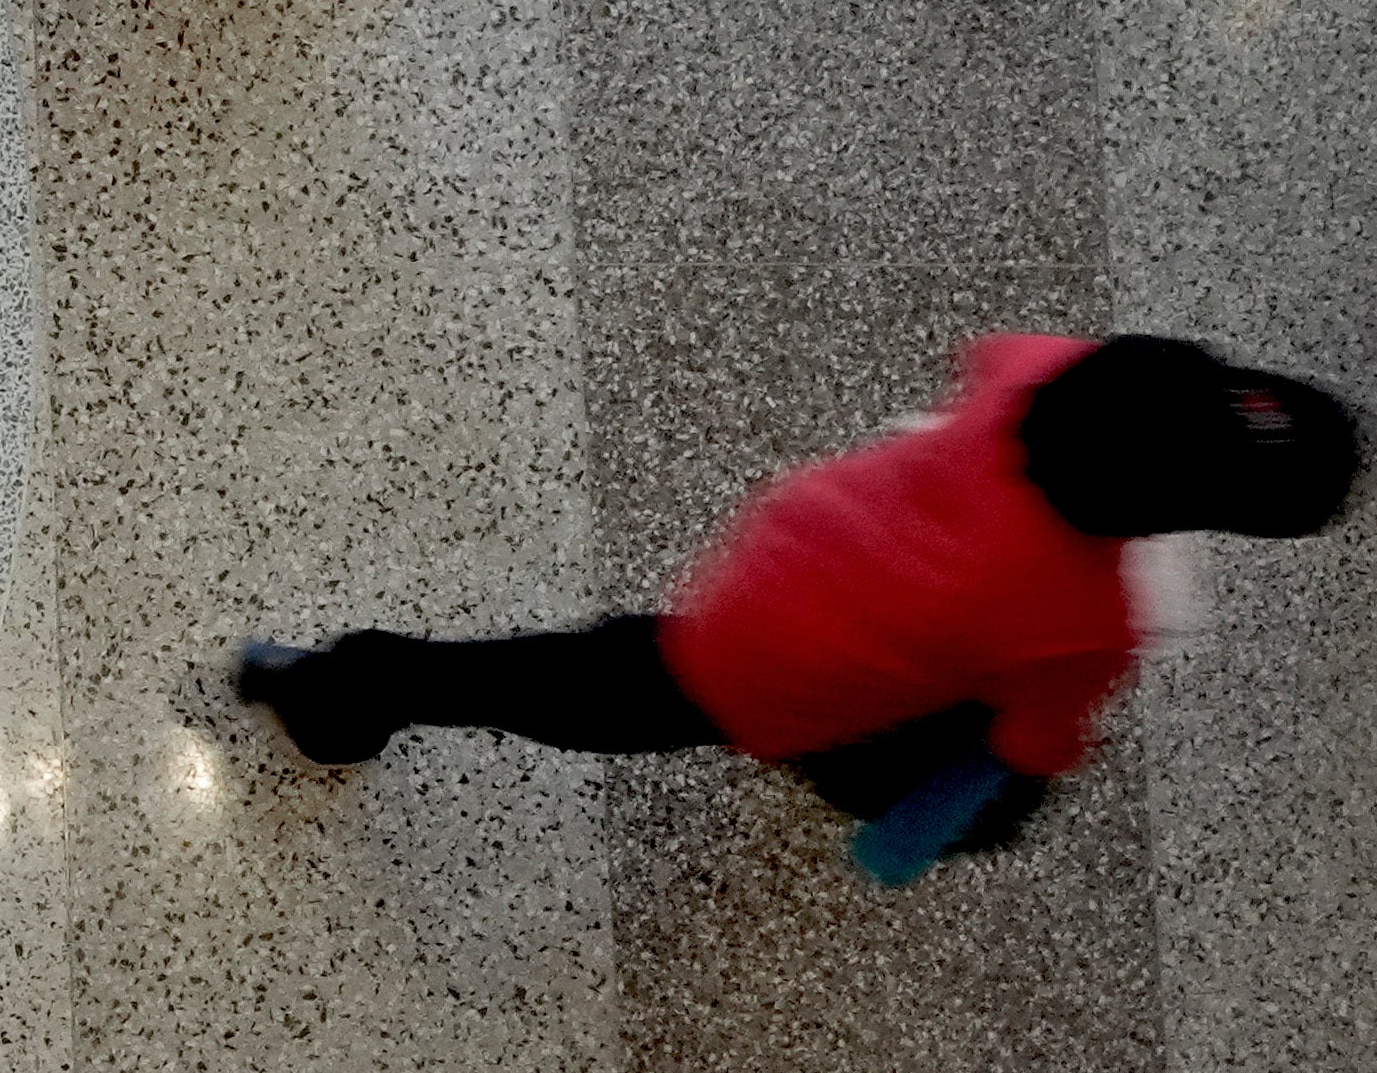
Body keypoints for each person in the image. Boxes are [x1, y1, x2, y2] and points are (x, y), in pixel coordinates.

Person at [235, 337, 1356, 878]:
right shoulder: (1083, 616)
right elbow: (1036, 737)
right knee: (579, 692)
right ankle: (348, 691)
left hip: (787, 551)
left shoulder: (1042, 377)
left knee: (596, 670)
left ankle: (343, 686)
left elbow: (990, 358)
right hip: (768, 670)